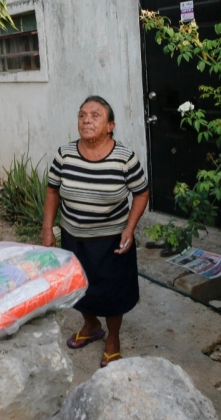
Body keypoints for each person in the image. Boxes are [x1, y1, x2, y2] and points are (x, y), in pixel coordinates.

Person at [41, 95, 149, 368]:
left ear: (110, 125)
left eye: (95, 115)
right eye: (82, 115)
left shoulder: (124, 158)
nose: (86, 120)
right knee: (79, 288)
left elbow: (142, 192)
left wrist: (130, 228)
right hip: (73, 236)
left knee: (113, 292)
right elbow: (52, 190)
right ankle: (91, 326)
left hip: (111, 238)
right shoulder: (64, 154)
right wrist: (48, 228)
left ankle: (113, 338)